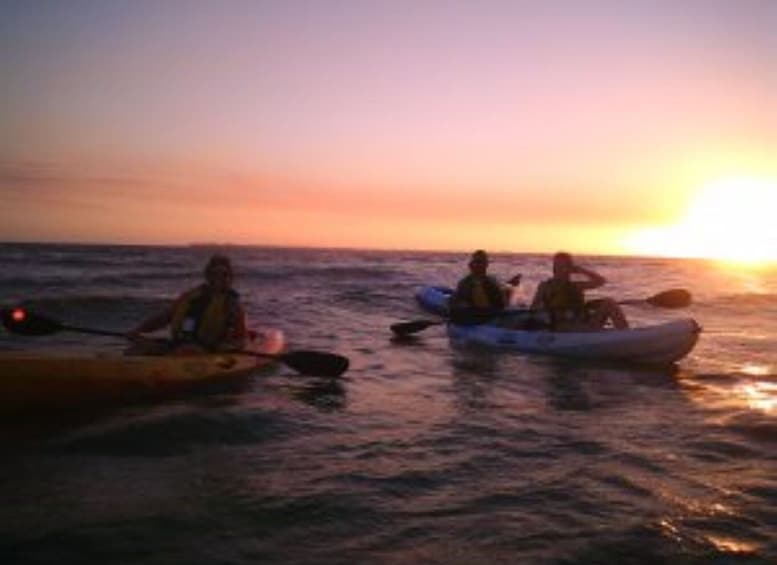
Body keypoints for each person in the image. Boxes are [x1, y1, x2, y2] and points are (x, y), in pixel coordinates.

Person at [126, 254, 247, 354]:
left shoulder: (232, 304)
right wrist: (138, 330)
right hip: (180, 343)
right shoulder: (190, 296)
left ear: (231, 277)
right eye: (213, 273)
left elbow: (241, 338)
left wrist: (230, 347)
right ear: (207, 275)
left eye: (224, 274)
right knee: (133, 350)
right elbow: (164, 318)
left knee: (185, 351)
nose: (218, 278)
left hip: (208, 349)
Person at [530, 251, 628, 331]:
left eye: (566, 266)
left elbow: (601, 281)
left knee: (609, 302)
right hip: (562, 328)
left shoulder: (576, 286)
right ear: (554, 268)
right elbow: (533, 309)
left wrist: (581, 270)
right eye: (558, 266)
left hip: (583, 325)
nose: (561, 269)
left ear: (571, 268)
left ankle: (625, 335)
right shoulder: (545, 287)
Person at [450, 249, 522, 312]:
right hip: (476, 313)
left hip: (493, 308)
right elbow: (454, 302)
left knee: (506, 289)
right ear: (471, 265)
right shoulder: (464, 284)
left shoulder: (491, 282)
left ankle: (510, 285)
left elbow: (502, 305)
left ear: (486, 265)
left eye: (481, 262)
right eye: (476, 262)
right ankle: (510, 285)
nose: (478, 265)